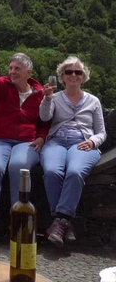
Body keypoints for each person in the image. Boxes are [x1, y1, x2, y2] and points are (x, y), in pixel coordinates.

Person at [40, 56, 106, 246]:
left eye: (78, 72)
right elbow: (44, 117)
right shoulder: (55, 98)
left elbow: (101, 132)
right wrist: (46, 98)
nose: (74, 75)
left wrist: (93, 142)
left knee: (75, 172)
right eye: (69, 72)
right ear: (62, 77)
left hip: (82, 143)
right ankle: (65, 223)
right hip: (56, 142)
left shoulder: (93, 101)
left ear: (84, 77)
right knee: (52, 172)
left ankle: (59, 222)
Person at [0, 52, 49, 227]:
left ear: (29, 72)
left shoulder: (40, 93)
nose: (12, 72)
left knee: (19, 166)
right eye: (11, 68)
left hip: (27, 141)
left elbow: (45, 120)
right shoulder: (4, 85)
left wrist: (42, 137)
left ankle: (18, 220)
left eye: (17, 69)